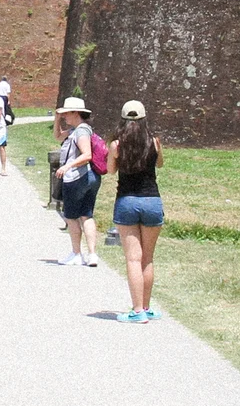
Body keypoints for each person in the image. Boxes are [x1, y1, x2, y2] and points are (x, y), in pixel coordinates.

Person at [110, 99, 164, 321]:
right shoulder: (154, 142)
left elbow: (111, 170)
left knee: (133, 258)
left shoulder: (116, 145)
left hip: (127, 200)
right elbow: (160, 164)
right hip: (152, 199)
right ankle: (147, 306)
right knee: (147, 258)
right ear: (144, 119)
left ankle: (137, 310)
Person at [52, 96, 105, 266]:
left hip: (78, 177)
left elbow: (86, 154)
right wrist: (57, 119)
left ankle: (76, 253)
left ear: (76, 113)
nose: (65, 116)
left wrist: (67, 166)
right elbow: (58, 136)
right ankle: (92, 254)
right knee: (86, 215)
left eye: (67, 113)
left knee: (72, 216)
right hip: (91, 177)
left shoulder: (81, 131)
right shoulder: (78, 130)